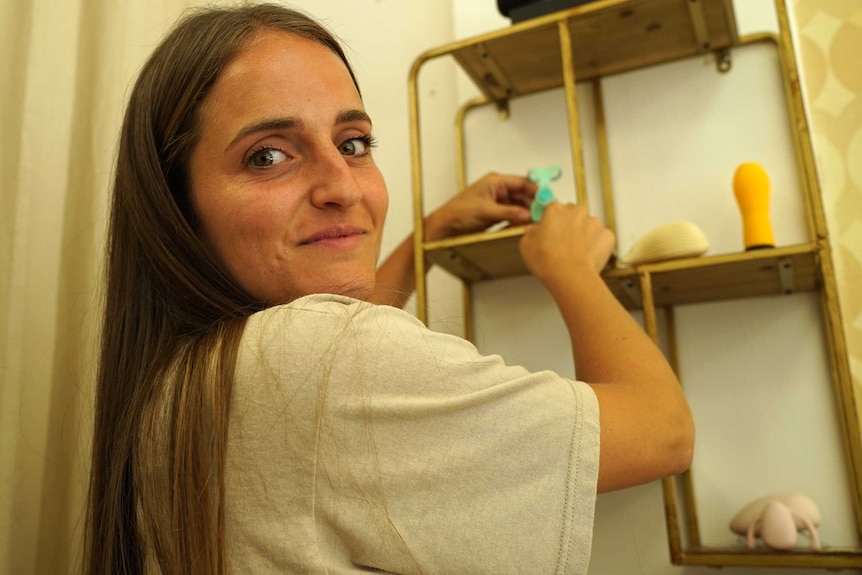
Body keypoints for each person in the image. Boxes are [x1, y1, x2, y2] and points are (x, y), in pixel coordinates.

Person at [83, 4, 694, 574]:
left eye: (353, 144)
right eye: (268, 156)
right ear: (175, 206)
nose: (343, 189)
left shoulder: (188, 378)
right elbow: (664, 432)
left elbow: (325, 387)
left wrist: (429, 232)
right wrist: (571, 268)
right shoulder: (313, 360)